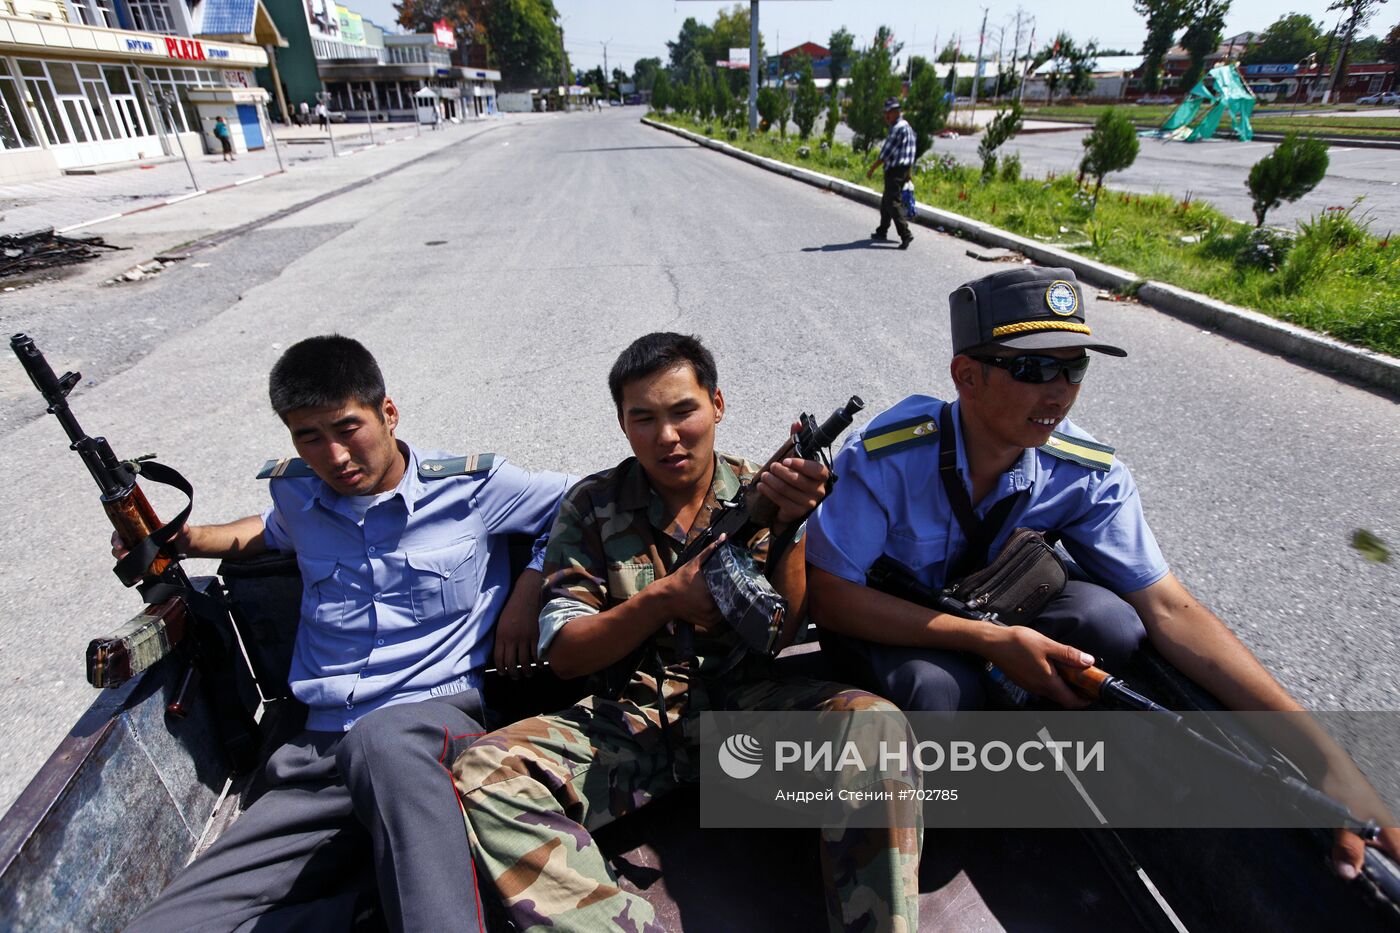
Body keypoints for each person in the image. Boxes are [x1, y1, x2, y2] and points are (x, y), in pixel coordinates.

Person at [805, 265, 1400, 879]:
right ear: (968, 377)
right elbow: (829, 596)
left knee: (1110, 622)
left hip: (991, 615)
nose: (1058, 392)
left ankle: (1014, 753)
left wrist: (1327, 761)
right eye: (1034, 369)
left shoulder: (1082, 470)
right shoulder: (894, 455)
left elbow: (1173, 611)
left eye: (1075, 368)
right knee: (940, 692)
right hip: (894, 629)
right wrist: (989, 642)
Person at [452, 332, 922, 932]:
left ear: (717, 405)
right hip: (629, 721)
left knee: (875, 724)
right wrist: (664, 599)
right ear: (623, 426)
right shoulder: (592, 506)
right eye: (643, 419)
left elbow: (782, 633)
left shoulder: (764, 489)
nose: (667, 436)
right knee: (484, 772)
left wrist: (791, 529)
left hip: (741, 719)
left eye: (683, 412)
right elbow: (566, 654)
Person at [124, 335, 574, 933]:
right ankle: (368, 900)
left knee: (386, 742)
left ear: (388, 413)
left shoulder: (470, 488)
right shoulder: (297, 492)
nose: (334, 455)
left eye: (347, 427)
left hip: (431, 731)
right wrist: (184, 540)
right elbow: (271, 532)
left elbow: (579, 501)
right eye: (309, 437)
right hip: (320, 754)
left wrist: (529, 587)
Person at [865, 96, 915, 250]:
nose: (886, 116)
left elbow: (885, 154)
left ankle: (905, 234)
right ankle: (882, 231)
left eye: (888, 112)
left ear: (896, 112)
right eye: (885, 112)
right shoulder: (906, 125)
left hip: (895, 170)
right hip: (903, 168)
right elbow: (911, 150)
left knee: (893, 202)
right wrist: (909, 171)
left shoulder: (897, 128)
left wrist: (872, 168)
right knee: (886, 200)